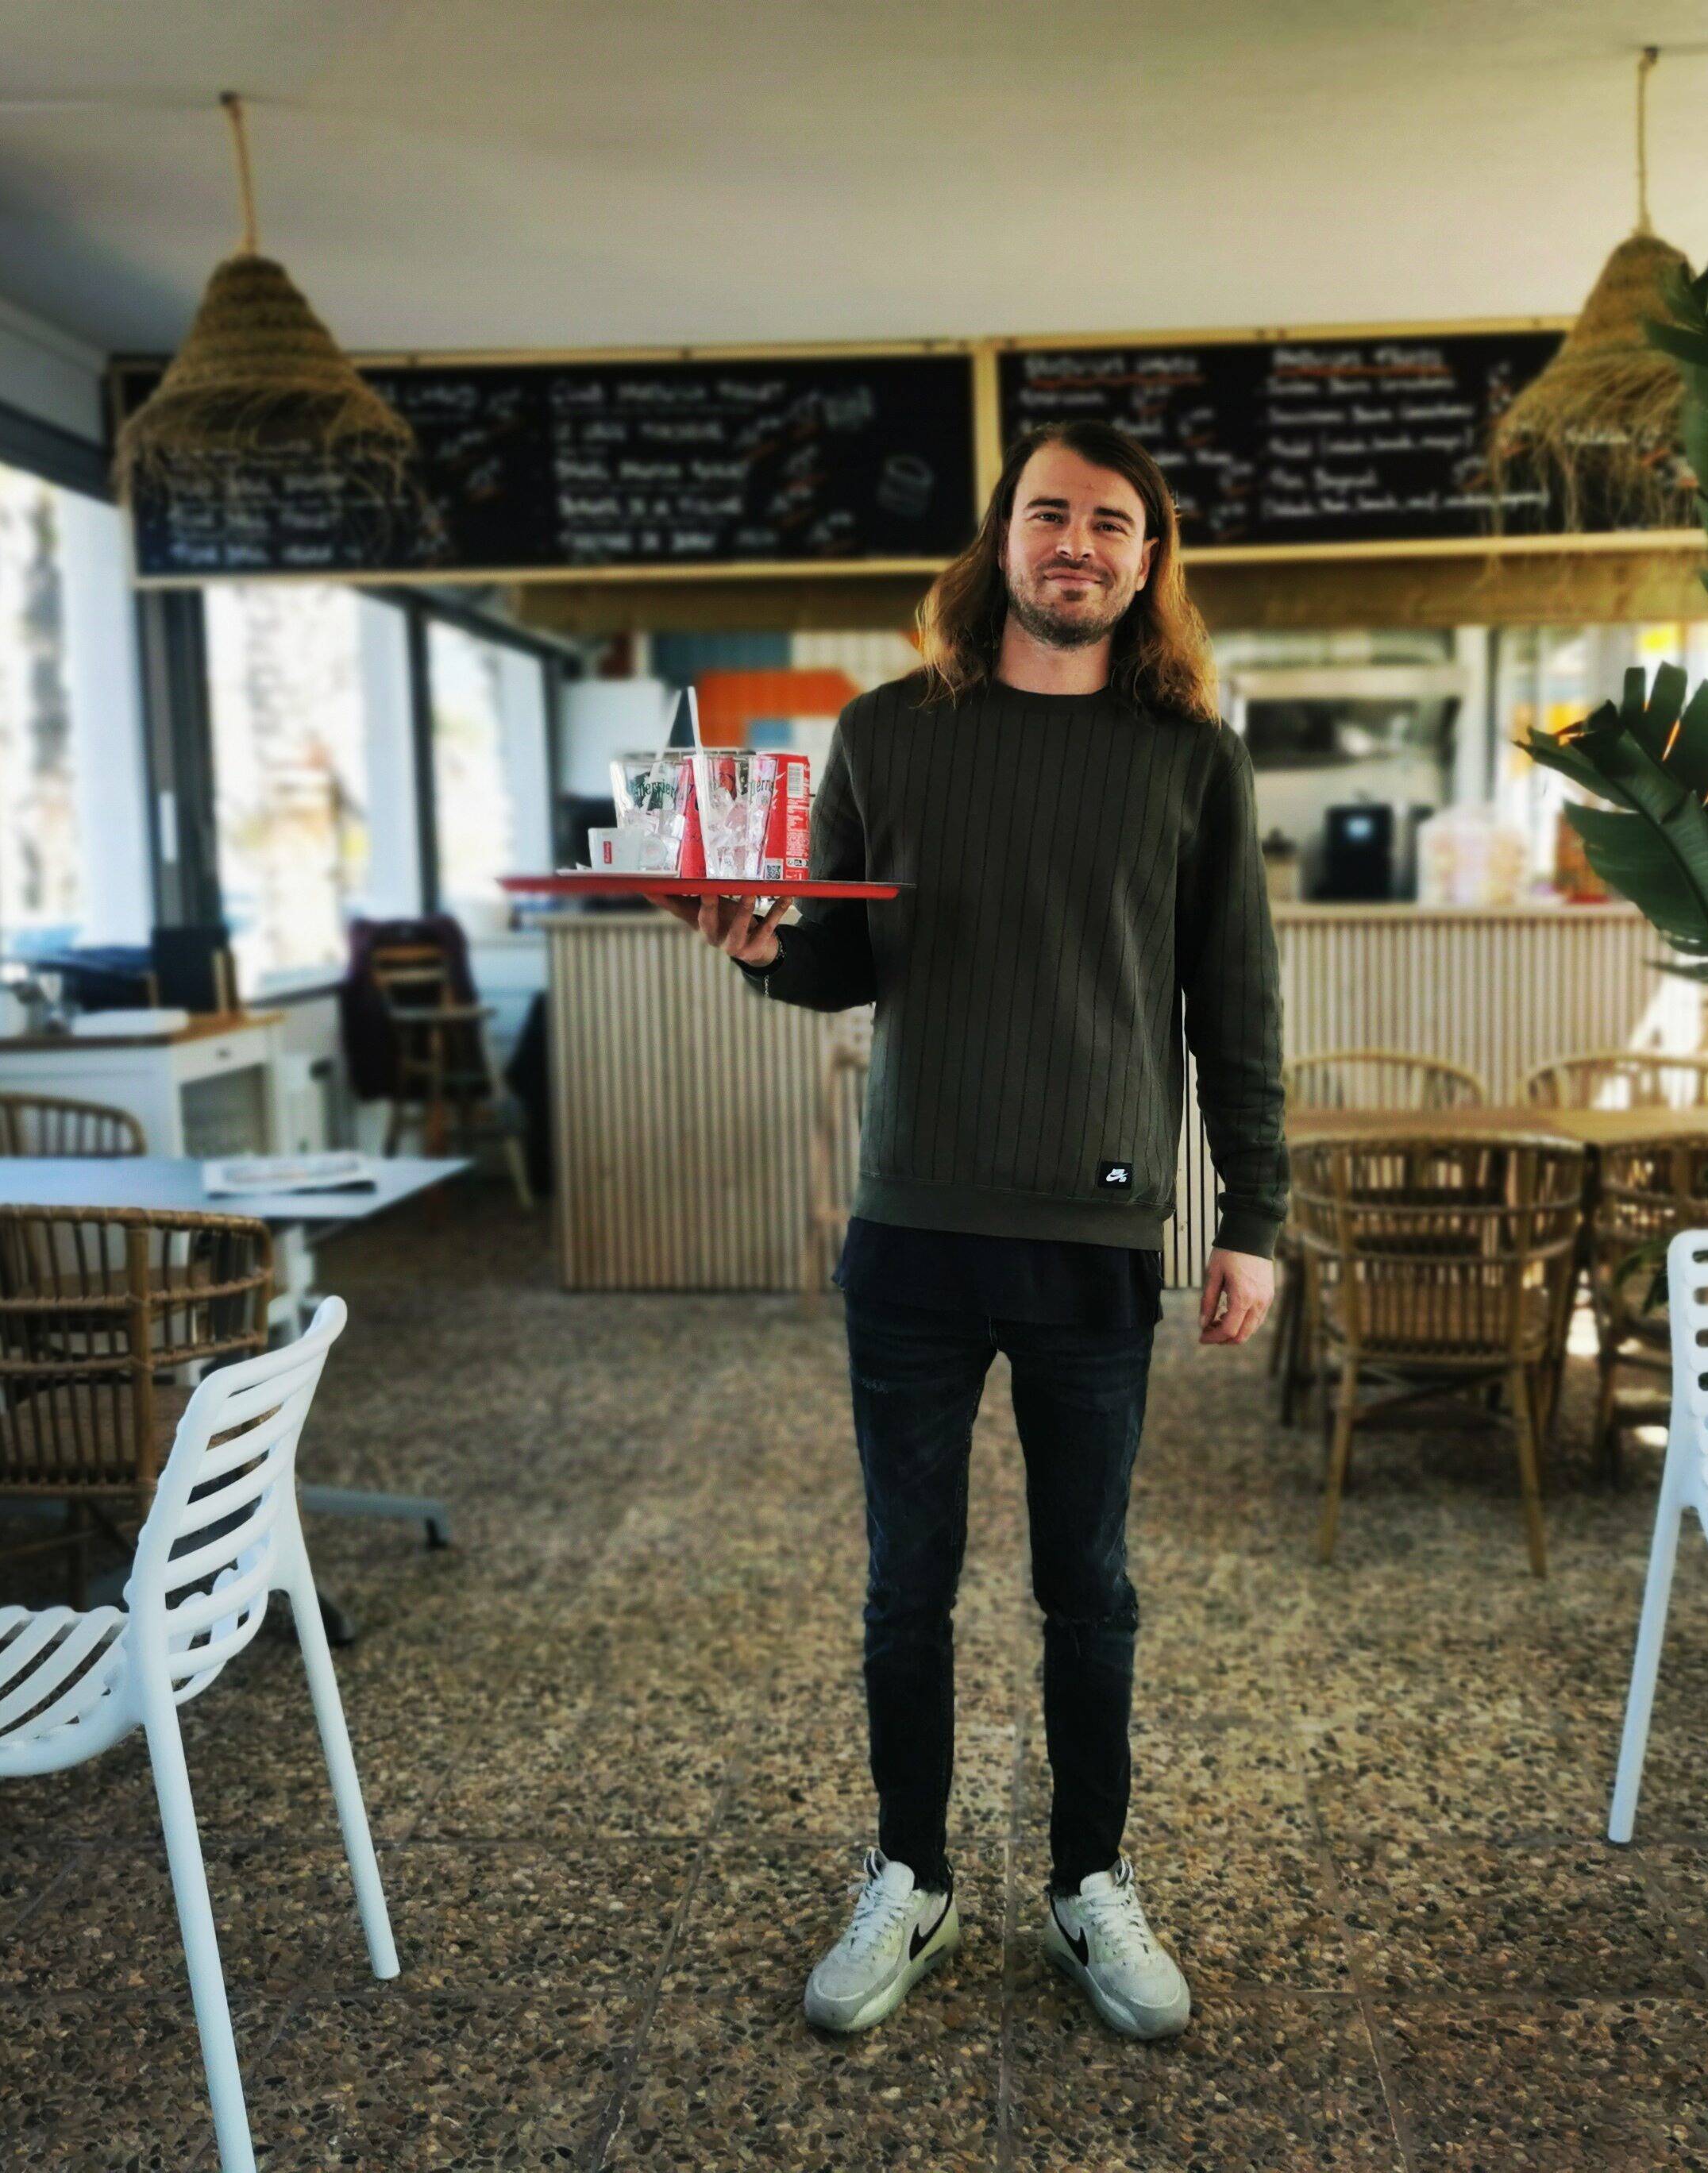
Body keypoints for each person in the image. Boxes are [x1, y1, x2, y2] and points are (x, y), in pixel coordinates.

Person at [655, 421, 1286, 2041]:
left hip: (1096, 1235)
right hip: (915, 1229)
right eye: (1049, 513)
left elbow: (1235, 1008)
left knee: (1092, 1587)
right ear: (1002, 538)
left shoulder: (1193, 759)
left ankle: (1090, 1882)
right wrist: (755, 945)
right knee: (905, 1584)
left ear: (1149, 560)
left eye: (1112, 523)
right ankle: (911, 1877)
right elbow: (836, 960)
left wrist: (1256, 1216)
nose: (1077, 543)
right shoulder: (885, 731)